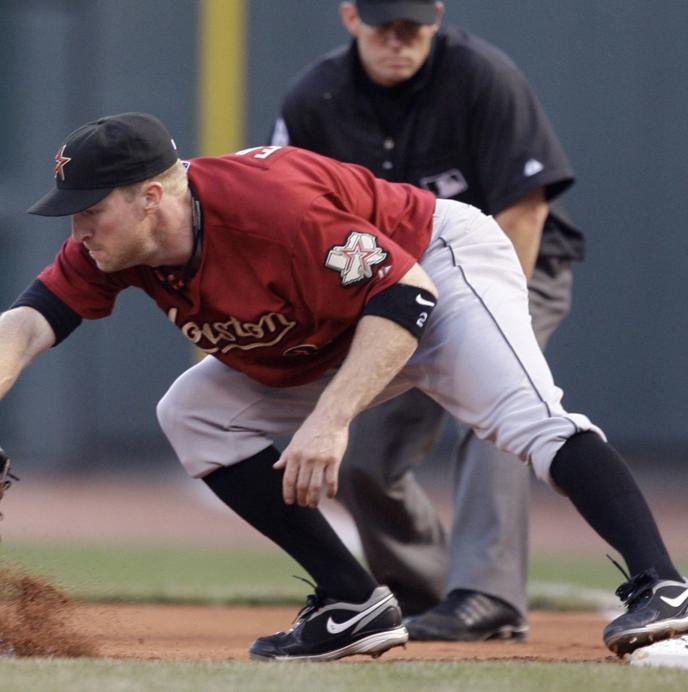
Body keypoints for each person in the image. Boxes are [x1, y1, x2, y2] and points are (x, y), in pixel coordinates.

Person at [0, 112, 688, 661]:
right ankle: (353, 601)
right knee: (192, 412)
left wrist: (331, 417)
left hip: (436, 269)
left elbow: (407, 296)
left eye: (91, 209)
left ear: (153, 195)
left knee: (529, 421)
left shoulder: (268, 207)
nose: (77, 228)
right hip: (331, 321)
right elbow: (25, 323)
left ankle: (668, 587)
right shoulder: (113, 248)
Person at [268, 0, 582, 640]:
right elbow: (285, 216)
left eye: (413, 24)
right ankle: (420, 590)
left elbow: (524, 213)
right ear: (351, 17)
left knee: (500, 418)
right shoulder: (314, 97)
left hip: (512, 271)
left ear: (437, 17)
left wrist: (497, 330)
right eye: (385, 25)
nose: (399, 38)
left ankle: (485, 596)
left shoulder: (481, 76)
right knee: (362, 459)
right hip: (391, 291)